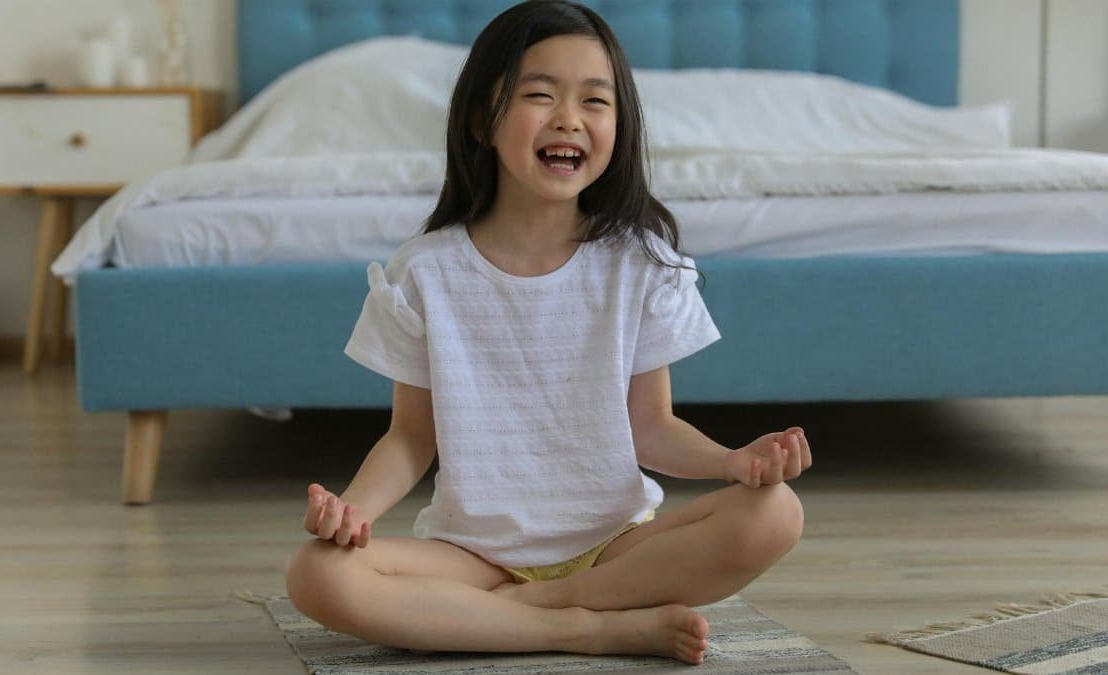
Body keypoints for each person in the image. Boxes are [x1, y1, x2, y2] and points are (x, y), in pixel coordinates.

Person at [285, 0, 810, 665]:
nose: (569, 118)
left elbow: (651, 426)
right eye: (540, 95)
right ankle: (589, 629)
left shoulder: (638, 263)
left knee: (775, 512)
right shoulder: (425, 272)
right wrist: (354, 511)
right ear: (483, 119)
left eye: (595, 100)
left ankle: (536, 608)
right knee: (316, 572)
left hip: (615, 543)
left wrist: (732, 461)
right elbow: (412, 437)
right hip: (473, 557)